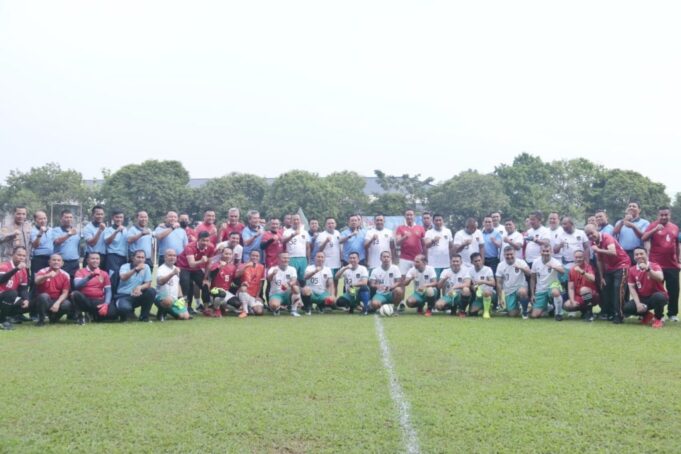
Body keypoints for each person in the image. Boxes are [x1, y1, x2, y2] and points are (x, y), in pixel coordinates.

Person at [585, 224, 630, 323]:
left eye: (592, 233)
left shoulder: (606, 237)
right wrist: (601, 277)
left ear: (596, 230)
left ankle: (619, 315)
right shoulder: (593, 243)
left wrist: (598, 250)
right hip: (610, 267)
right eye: (588, 235)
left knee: (618, 288)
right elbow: (599, 261)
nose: (590, 236)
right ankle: (610, 313)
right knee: (605, 287)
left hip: (622, 264)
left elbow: (613, 252)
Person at [641, 206, 680, 322]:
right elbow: (644, 237)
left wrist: (679, 260)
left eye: (666, 215)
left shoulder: (675, 227)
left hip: (672, 265)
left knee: (674, 291)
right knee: (658, 292)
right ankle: (659, 315)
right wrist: (654, 230)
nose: (663, 217)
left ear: (669, 215)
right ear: (658, 215)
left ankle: (672, 314)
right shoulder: (653, 225)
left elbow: (677, 245)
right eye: (661, 215)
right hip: (657, 265)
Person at [625, 247, 669, 329]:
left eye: (641, 254)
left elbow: (660, 278)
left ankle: (658, 318)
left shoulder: (654, 265)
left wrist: (648, 269)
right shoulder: (632, 270)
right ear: (634, 257)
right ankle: (647, 315)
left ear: (646, 254)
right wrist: (638, 304)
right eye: (636, 254)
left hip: (656, 296)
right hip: (643, 298)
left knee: (658, 297)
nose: (639, 256)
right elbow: (632, 288)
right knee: (626, 308)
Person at [176, 231, 215, 315]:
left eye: (207, 240)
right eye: (203, 240)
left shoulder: (211, 247)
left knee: (205, 285)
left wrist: (205, 278)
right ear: (198, 240)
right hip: (184, 267)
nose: (205, 243)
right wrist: (201, 261)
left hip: (196, 268)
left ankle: (206, 308)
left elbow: (209, 264)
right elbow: (191, 264)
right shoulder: (190, 247)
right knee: (186, 284)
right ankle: (186, 307)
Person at [71, 252, 113, 324]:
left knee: (112, 313)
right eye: (93, 259)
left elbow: (108, 291)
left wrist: (106, 304)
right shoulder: (80, 271)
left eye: (97, 259)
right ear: (87, 260)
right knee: (75, 294)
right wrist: (90, 276)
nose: (95, 260)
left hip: (98, 300)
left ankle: (93, 315)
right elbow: (77, 285)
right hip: (85, 300)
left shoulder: (104, 273)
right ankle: (81, 316)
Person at [115, 250, 155, 322]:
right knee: (125, 308)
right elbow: (123, 277)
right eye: (138, 257)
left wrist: (140, 287)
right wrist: (135, 269)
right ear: (133, 258)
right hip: (123, 296)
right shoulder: (125, 266)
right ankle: (125, 315)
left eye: (142, 257)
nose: (140, 259)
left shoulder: (146, 267)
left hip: (136, 295)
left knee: (151, 291)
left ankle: (144, 317)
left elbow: (148, 283)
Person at [32, 254, 72, 326]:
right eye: (54, 260)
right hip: (43, 300)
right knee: (44, 296)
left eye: (58, 260)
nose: (56, 262)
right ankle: (41, 320)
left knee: (67, 304)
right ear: (49, 262)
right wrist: (46, 276)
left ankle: (54, 317)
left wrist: (58, 303)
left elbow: (65, 292)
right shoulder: (43, 271)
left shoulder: (65, 275)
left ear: (62, 263)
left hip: (56, 300)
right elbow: (36, 281)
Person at [530, 244, 565, 320]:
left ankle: (558, 314)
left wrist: (553, 267)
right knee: (534, 315)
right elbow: (532, 278)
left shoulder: (555, 262)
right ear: (540, 252)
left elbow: (562, 271)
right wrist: (532, 294)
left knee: (555, 292)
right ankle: (549, 307)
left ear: (551, 251)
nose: (545, 253)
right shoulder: (535, 262)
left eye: (547, 251)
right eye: (543, 251)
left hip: (553, 285)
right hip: (540, 289)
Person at [154, 249, 190, 321]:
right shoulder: (161, 269)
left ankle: (168, 311)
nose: (172, 257)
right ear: (165, 257)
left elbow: (178, 284)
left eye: (174, 256)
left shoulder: (176, 269)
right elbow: (160, 282)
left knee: (185, 316)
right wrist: (172, 274)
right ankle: (160, 315)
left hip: (174, 299)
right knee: (168, 300)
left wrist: (181, 298)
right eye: (170, 255)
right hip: (161, 297)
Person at [495, 246, 531, 318]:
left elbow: (529, 273)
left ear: (515, 253)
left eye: (511, 254)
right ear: (504, 255)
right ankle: (519, 307)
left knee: (522, 292)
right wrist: (500, 298)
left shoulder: (521, 262)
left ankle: (525, 311)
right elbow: (498, 283)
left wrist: (521, 268)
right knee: (512, 314)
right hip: (509, 291)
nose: (509, 256)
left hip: (520, 287)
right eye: (507, 254)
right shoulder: (500, 265)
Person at [564, 250, 599, 321]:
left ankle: (589, 313)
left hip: (592, 295)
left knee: (583, 290)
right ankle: (584, 311)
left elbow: (593, 279)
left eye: (580, 257)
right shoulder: (572, 270)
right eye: (576, 257)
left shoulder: (588, 267)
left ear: (584, 257)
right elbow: (571, 288)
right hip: (579, 296)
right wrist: (572, 301)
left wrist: (581, 271)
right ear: (574, 258)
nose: (578, 259)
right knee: (567, 305)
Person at [0, 247, 30, 330]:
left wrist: (26, 299)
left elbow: (23, 288)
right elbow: (1, 279)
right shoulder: (4, 266)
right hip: (2, 295)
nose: (21, 257)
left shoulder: (23, 270)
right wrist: (16, 269)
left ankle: (12, 316)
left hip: (9, 297)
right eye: (19, 255)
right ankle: (2, 320)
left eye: (23, 256)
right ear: (13, 255)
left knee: (29, 303)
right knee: (12, 293)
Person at [206, 247, 238, 317]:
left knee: (237, 304)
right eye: (226, 254)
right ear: (222, 254)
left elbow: (234, 279)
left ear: (232, 255)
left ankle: (219, 308)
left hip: (226, 291)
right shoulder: (216, 264)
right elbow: (211, 276)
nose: (228, 256)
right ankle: (216, 309)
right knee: (221, 294)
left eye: (230, 254)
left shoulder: (233, 267)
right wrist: (219, 267)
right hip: (215, 291)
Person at [267, 252, 302, 316]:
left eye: (287, 258)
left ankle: (293, 310)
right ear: (278, 259)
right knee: (274, 305)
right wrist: (272, 274)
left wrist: (289, 284)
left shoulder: (292, 269)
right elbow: (268, 279)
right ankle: (277, 308)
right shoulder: (273, 269)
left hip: (288, 293)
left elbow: (294, 280)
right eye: (284, 258)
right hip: (276, 294)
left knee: (296, 288)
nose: (286, 260)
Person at [104, 210, 129, 294]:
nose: (119, 219)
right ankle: (110, 298)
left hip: (123, 258)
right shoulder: (108, 230)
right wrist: (116, 231)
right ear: (113, 218)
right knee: (113, 278)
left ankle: (119, 298)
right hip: (112, 257)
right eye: (117, 217)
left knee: (122, 278)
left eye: (121, 217)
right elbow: (107, 241)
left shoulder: (125, 230)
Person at [235, 250, 265, 317]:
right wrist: (246, 266)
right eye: (253, 255)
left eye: (257, 256)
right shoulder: (242, 265)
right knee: (244, 287)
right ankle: (245, 311)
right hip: (243, 293)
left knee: (259, 312)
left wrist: (257, 296)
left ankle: (249, 307)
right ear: (249, 256)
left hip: (253, 295)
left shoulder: (261, 267)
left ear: (259, 257)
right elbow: (236, 275)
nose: (255, 257)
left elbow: (260, 283)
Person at [52, 209, 81, 280]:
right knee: (60, 281)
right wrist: (69, 234)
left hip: (74, 262)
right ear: (61, 219)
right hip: (61, 262)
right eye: (66, 217)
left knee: (73, 283)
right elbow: (57, 241)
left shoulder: (76, 231)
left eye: (70, 217)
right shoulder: (56, 230)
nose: (69, 219)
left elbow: (79, 245)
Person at [282, 214, 310, 285]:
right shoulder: (287, 232)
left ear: (300, 221)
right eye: (294, 220)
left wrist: (307, 259)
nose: (296, 221)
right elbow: (283, 241)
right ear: (291, 221)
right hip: (292, 258)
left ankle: (302, 291)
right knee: (292, 279)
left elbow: (307, 247)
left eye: (298, 219)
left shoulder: (305, 232)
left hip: (303, 258)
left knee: (303, 279)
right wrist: (292, 235)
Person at [395, 209, 425, 275]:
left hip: (418, 258)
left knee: (418, 277)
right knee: (403, 278)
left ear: (414, 216)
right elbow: (397, 243)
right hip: (404, 258)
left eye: (411, 215)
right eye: (407, 215)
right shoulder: (400, 228)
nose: (409, 217)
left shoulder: (420, 228)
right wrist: (405, 237)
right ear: (404, 216)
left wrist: (424, 256)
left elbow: (424, 244)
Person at [424, 214, 453, 279]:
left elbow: (451, 246)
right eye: (436, 220)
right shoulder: (429, 232)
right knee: (435, 282)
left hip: (446, 263)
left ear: (443, 221)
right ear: (433, 221)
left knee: (445, 282)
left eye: (440, 220)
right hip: (433, 264)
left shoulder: (448, 231)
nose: (438, 222)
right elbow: (426, 245)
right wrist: (433, 241)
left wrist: (451, 259)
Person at [314, 218, 342, 284]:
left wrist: (341, 260)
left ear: (335, 224)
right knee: (327, 283)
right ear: (325, 225)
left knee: (336, 283)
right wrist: (326, 241)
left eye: (332, 223)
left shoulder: (337, 233)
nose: (330, 225)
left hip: (337, 264)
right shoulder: (321, 235)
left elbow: (340, 248)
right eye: (328, 223)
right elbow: (320, 250)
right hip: (327, 264)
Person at [470, 252, 496, 318]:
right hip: (478, 295)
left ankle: (487, 310)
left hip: (490, 294)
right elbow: (470, 284)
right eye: (475, 261)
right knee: (472, 312)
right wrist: (473, 287)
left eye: (479, 260)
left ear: (482, 260)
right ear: (472, 262)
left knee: (486, 292)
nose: (478, 262)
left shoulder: (488, 269)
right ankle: (485, 307)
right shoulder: (470, 270)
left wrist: (483, 281)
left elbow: (493, 283)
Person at [30, 210, 54, 281]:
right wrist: (40, 233)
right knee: (37, 279)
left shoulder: (51, 230)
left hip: (51, 258)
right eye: (40, 219)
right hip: (38, 259)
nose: (43, 221)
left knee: (49, 280)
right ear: (35, 220)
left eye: (44, 218)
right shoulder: (32, 231)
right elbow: (35, 245)